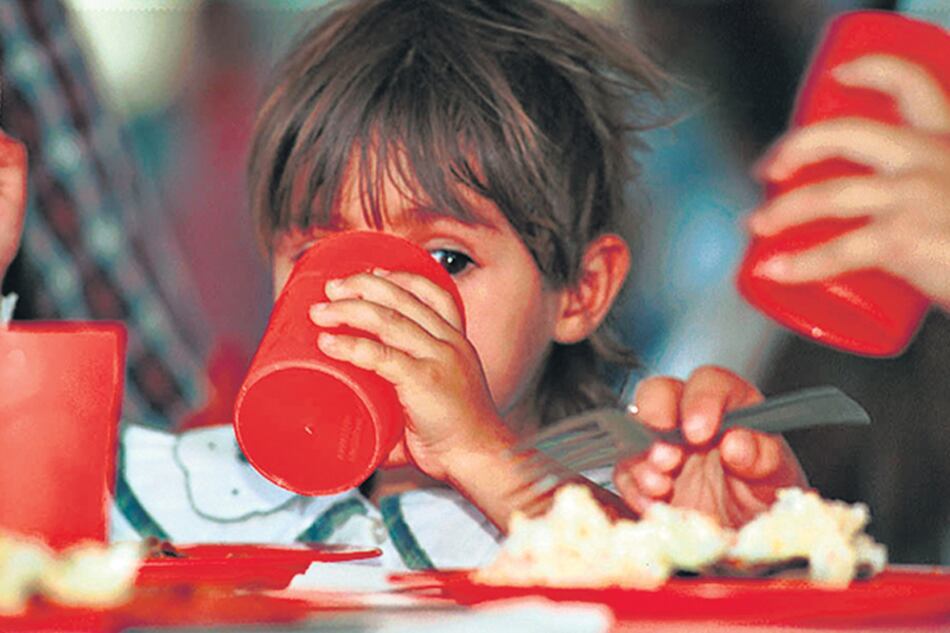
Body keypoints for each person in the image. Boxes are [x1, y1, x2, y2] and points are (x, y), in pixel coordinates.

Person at [8, 0, 805, 568]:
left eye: (448, 260)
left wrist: (483, 455)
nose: (376, 309)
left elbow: (647, 590)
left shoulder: (624, 501)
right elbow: (30, 530)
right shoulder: (221, 487)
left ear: (580, 290)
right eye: (321, 251)